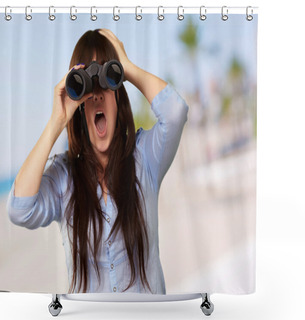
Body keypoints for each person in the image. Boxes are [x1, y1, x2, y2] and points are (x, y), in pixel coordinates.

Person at [6, 29, 188, 294]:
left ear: (118, 96)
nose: (96, 95)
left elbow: (176, 112)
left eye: (107, 80)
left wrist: (126, 68)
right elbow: (19, 209)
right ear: (80, 107)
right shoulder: (64, 179)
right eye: (87, 87)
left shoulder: (146, 158)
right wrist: (57, 120)